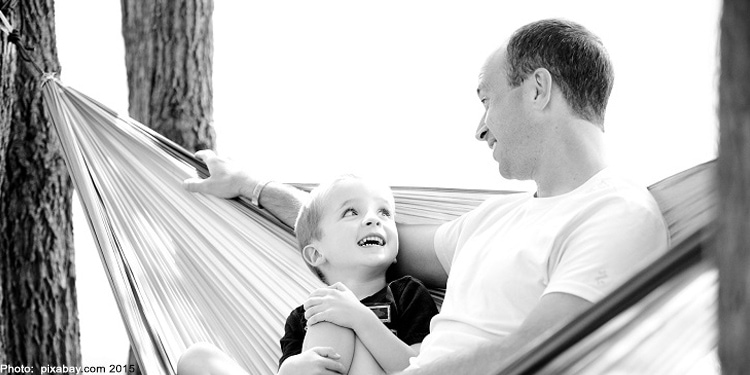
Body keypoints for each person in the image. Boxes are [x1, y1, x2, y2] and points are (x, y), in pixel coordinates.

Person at [183, 18, 670, 375]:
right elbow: (349, 236)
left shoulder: (615, 214)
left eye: (486, 99)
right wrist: (252, 187)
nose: (480, 128)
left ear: (538, 89)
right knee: (197, 363)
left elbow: (543, 348)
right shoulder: (493, 220)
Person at [177, 175, 438, 375]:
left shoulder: (407, 293)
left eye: (384, 212)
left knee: (332, 313)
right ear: (315, 254)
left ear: (396, 252)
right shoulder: (302, 316)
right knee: (197, 358)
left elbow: (421, 368)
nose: (374, 219)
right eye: (351, 212)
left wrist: (360, 319)